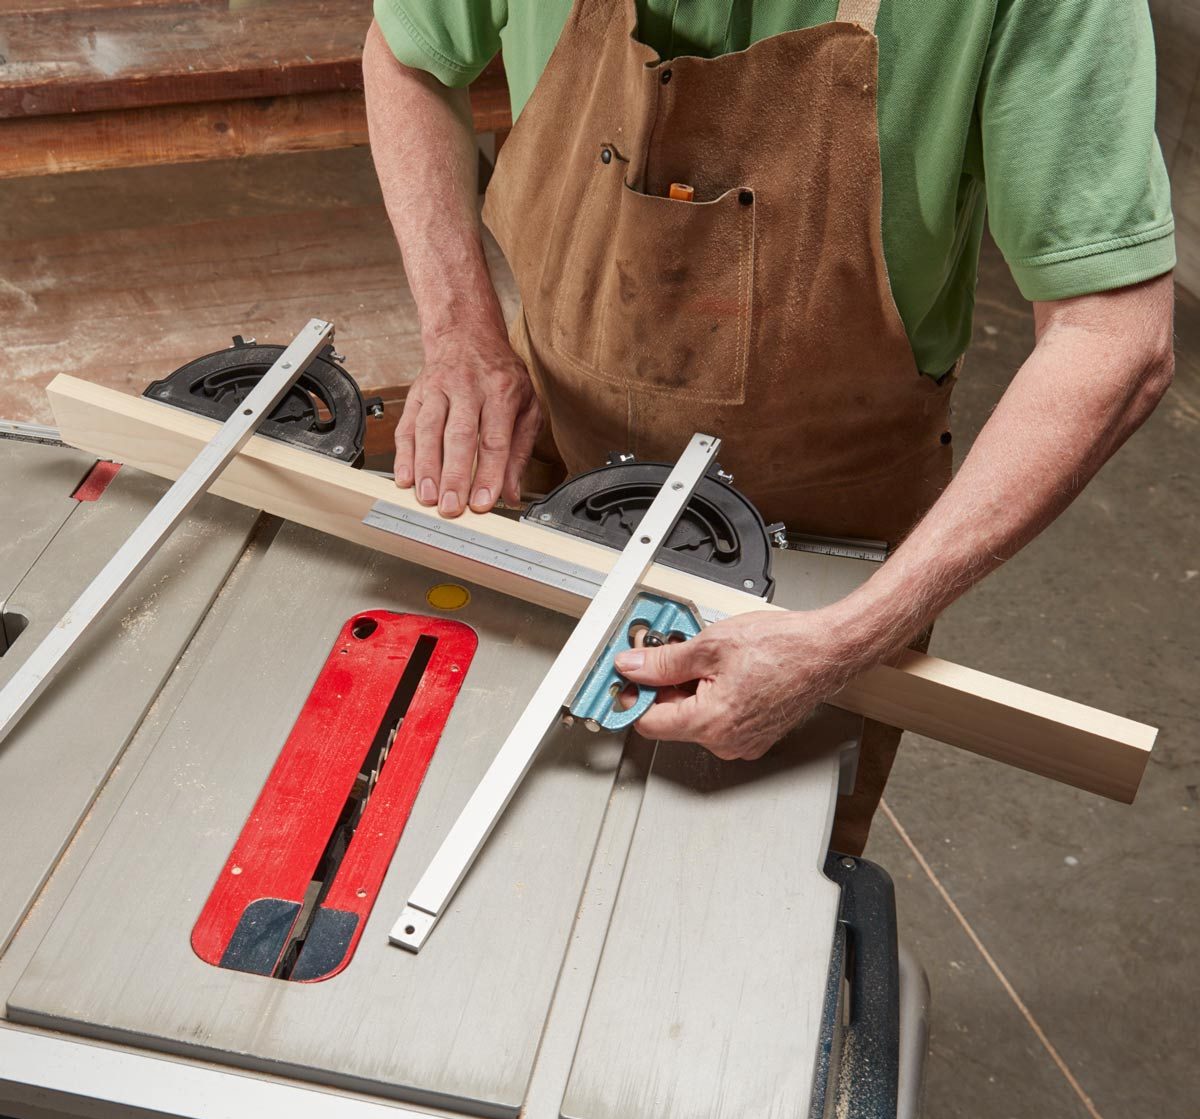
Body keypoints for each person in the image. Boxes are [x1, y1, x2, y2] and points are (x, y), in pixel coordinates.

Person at [362, 0, 1175, 852]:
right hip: (552, 468)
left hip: (826, 564)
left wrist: (845, 641)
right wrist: (460, 333)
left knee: (746, 882)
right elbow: (407, 57)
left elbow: (1113, 334)